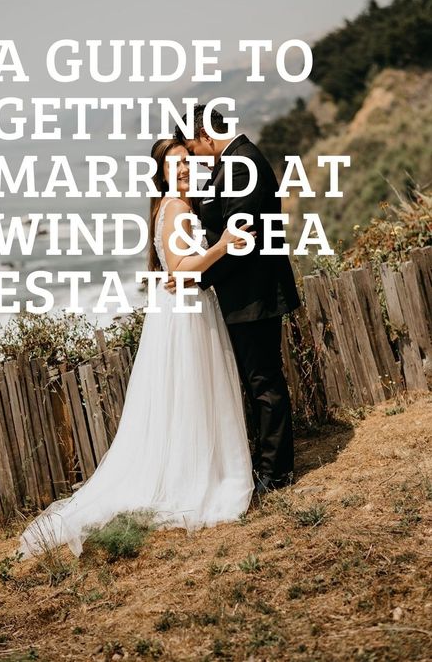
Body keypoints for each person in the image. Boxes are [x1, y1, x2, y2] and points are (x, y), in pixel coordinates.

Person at [17, 138, 255, 560]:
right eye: (175, 165)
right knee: (191, 396)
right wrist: (221, 247)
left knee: (186, 398)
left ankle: (196, 470)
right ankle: (195, 479)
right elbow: (180, 273)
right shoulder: (177, 210)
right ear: (162, 173)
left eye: (187, 163)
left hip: (181, 312)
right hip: (185, 314)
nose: (184, 170)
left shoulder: (177, 207)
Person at [173, 105, 301, 494]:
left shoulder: (241, 166)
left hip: (254, 295)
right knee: (257, 381)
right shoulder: (234, 163)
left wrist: (196, 277)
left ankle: (275, 474)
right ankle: (267, 466)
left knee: (264, 384)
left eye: (193, 149)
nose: (194, 157)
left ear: (207, 136)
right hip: (247, 294)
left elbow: (238, 241)